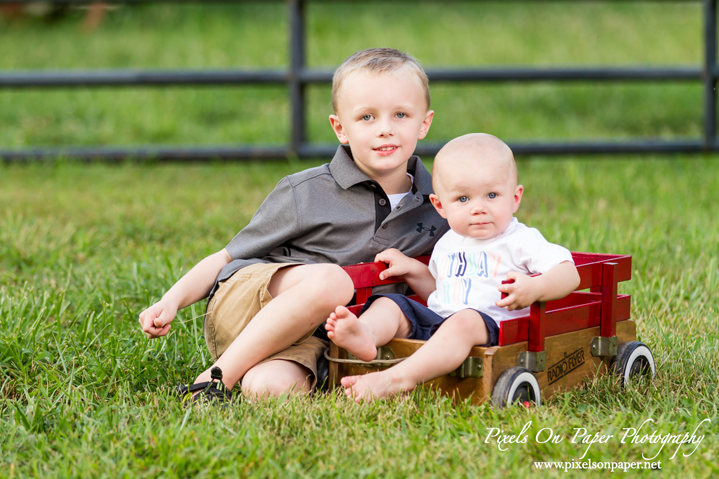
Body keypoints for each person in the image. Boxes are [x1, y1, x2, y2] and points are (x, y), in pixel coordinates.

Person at [138, 48, 449, 401]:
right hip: (254, 302)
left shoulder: (442, 203)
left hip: (323, 331)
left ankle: (270, 369)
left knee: (269, 389)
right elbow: (226, 259)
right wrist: (172, 300)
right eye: (366, 117)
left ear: (424, 122)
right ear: (340, 128)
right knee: (334, 280)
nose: (385, 129)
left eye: (401, 115)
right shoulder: (306, 191)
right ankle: (216, 376)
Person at [325, 133, 581, 402]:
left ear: (515, 198)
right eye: (462, 199)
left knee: (465, 319)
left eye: (492, 195)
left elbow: (569, 273)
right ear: (439, 206)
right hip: (438, 323)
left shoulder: (519, 240)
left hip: (491, 329)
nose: (478, 208)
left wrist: (536, 287)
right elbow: (440, 289)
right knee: (392, 303)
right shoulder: (448, 242)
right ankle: (366, 334)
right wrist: (412, 269)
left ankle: (397, 379)